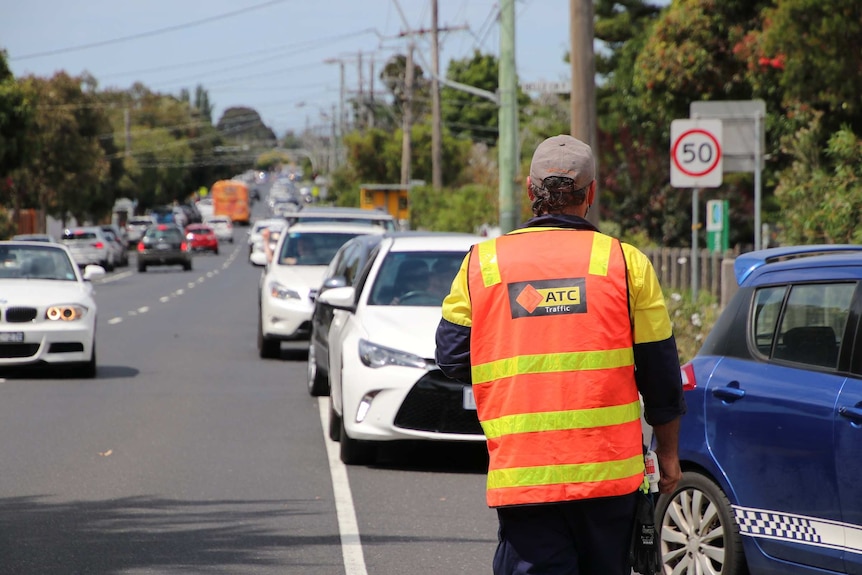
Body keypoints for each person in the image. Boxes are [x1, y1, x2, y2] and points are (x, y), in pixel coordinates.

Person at [434, 134, 686, 575]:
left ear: (530, 191)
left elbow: (452, 356)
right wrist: (668, 454)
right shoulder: (625, 264)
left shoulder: (484, 263)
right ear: (590, 194)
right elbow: (660, 372)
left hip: (524, 476)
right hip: (609, 478)